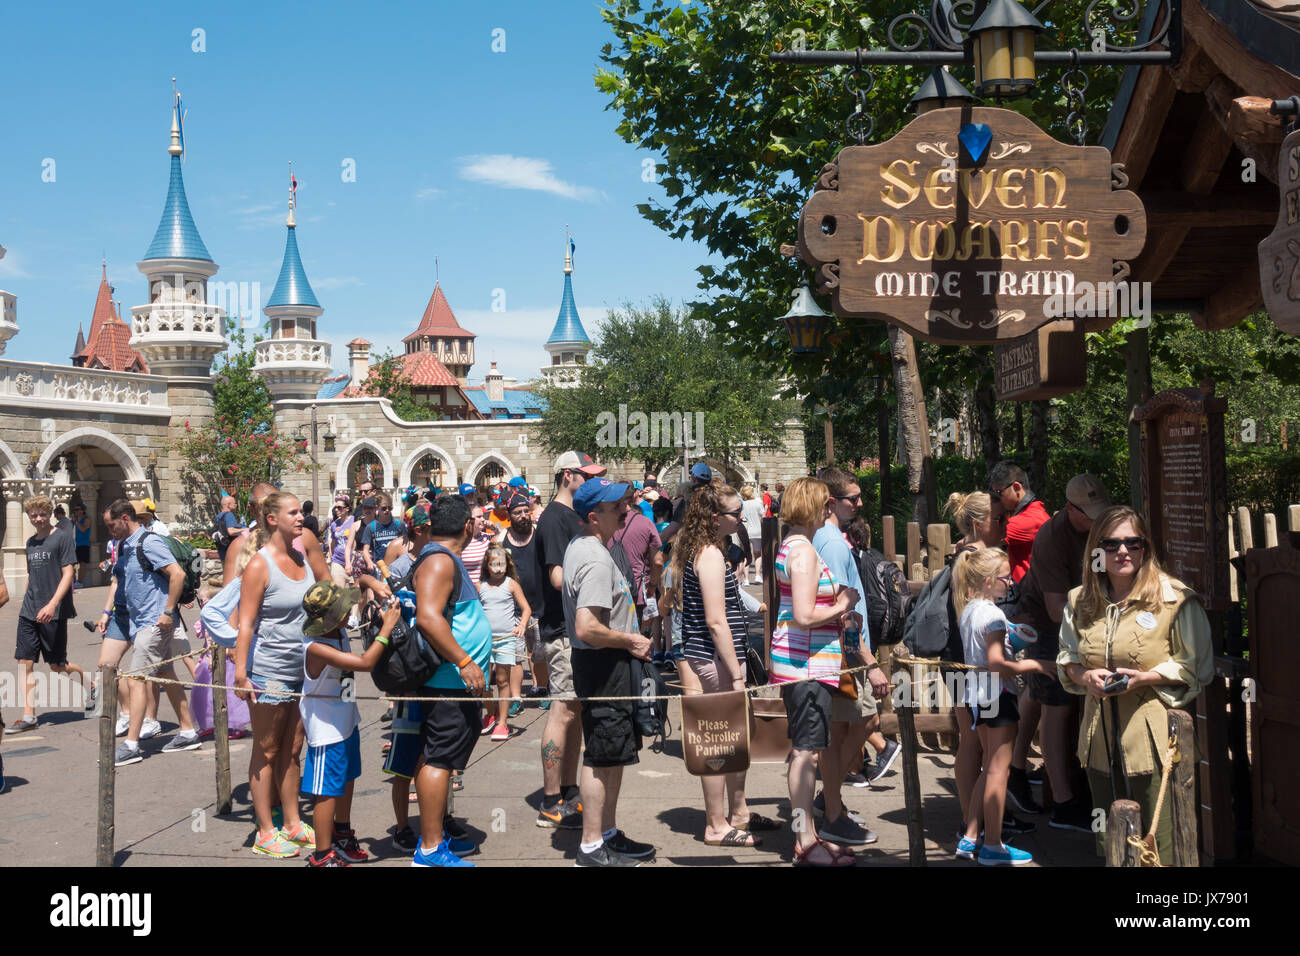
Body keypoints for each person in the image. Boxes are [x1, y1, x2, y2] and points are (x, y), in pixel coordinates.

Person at [1058, 505, 1213, 864]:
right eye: (1111, 545)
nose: (1122, 552)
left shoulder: (1174, 599)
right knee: (1105, 831)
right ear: (1096, 551)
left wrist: (1146, 677)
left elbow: (1196, 665)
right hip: (1098, 740)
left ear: (1146, 548)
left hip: (1154, 743)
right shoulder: (1079, 600)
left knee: (1158, 840)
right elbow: (1067, 655)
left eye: (1133, 542)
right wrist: (1084, 676)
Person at [671, 483, 776, 848]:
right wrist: (735, 672)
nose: (742, 518)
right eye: (735, 513)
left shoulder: (708, 549)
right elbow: (717, 622)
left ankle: (739, 811)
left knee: (734, 735)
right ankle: (716, 824)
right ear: (716, 518)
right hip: (717, 660)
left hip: (716, 656)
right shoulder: (711, 556)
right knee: (718, 739)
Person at [1010, 474, 1112, 831]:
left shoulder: (1107, 527)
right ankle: (1064, 805)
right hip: (1048, 622)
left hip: (1087, 618)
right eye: (1089, 514)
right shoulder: (1051, 538)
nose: (1098, 520)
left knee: (1037, 695)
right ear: (1070, 508)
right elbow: (1056, 610)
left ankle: (1015, 768)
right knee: (1058, 700)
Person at [563, 478, 656, 866]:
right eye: (615, 506)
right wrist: (629, 641)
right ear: (592, 516)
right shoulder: (595, 558)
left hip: (605, 665)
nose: (625, 510)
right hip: (603, 666)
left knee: (613, 753)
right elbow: (587, 627)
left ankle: (608, 834)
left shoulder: (586, 546)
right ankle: (591, 846)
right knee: (602, 756)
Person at [770, 477, 859, 866]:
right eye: (825, 505)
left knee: (805, 751)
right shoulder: (803, 552)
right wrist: (843, 604)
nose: (829, 511)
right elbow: (805, 615)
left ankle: (807, 835)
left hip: (803, 663)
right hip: (804, 665)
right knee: (805, 754)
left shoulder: (791, 545)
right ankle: (804, 842)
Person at [952, 546, 1051, 865]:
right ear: (990, 580)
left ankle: (971, 836)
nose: (1010, 583)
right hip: (997, 695)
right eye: (1006, 578)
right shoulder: (993, 615)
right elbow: (996, 664)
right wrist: (1036, 665)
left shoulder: (969, 610)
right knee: (999, 769)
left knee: (988, 766)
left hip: (976, 698)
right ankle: (993, 845)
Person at [410, 495, 493, 867]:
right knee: (438, 761)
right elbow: (428, 618)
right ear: (468, 527)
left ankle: (437, 837)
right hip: (447, 680)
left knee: (442, 759)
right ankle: (429, 850)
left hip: (455, 682)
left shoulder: (444, 559)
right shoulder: (440, 561)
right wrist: (464, 661)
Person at [234, 491, 318, 857]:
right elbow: (246, 622)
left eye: (301, 512)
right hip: (269, 672)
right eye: (294, 512)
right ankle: (265, 830)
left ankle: (293, 822)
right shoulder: (259, 564)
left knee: (294, 749)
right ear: (273, 519)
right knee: (267, 749)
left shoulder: (302, 557)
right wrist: (240, 673)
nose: (301, 518)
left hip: (304, 669)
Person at [812, 467, 889, 845]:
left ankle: (831, 803)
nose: (860, 503)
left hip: (846, 652)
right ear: (830, 502)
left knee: (846, 730)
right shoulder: (831, 543)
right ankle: (829, 807)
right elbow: (843, 609)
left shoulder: (831, 538)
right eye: (852, 499)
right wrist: (868, 663)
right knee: (862, 723)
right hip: (846, 654)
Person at [297, 581, 397, 866]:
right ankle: (322, 854)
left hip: (346, 719)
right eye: (342, 611)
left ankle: (341, 833)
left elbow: (360, 587)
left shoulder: (338, 630)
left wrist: (371, 583)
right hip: (326, 728)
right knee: (326, 791)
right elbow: (364, 663)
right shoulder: (316, 646)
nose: (348, 614)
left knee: (346, 779)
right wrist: (387, 630)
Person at [533, 451, 605, 829]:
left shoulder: (572, 516)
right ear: (566, 476)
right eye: (585, 475)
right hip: (560, 629)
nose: (590, 481)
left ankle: (569, 788)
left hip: (573, 631)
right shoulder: (554, 519)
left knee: (574, 710)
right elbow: (558, 577)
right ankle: (549, 799)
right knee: (561, 710)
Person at [104, 498, 200, 764]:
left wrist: (168, 611)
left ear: (125, 519)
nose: (110, 531)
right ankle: (188, 731)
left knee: (136, 679)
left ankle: (131, 744)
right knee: (166, 674)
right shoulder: (125, 545)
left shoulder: (149, 542)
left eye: (112, 525)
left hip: (154, 623)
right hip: (141, 622)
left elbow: (177, 574)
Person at [6, 495, 87, 735]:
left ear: (49, 513)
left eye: (42, 514)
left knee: (57, 666)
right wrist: (29, 599)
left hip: (53, 611)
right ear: (29, 516)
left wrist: (52, 604)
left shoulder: (62, 538)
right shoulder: (31, 543)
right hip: (29, 611)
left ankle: (92, 686)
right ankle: (28, 716)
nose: (38, 519)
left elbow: (68, 574)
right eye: (34, 515)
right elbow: (33, 576)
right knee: (24, 662)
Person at [478, 543, 532, 742]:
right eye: (494, 564)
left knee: (502, 680)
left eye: (502, 564)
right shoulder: (480, 586)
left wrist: (522, 625)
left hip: (506, 640)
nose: (498, 568)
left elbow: (526, 608)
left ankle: (502, 723)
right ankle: (490, 713)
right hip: (485, 641)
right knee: (482, 683)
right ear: (487, 565)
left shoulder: (511, 584)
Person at [502, 493, 544, 712]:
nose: (523, 516)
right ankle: (516, 697)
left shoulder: (540, 535)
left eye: (525, 511)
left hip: (539, 604)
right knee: (516, 655)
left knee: (539, 652)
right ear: (509, 515)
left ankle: (541, 688)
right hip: (513, 608)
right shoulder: (501, 539)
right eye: (517, 512)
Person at [987, 461, 1048, 583]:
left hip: (1029, 594)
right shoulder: (1034, 512)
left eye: (999, 492)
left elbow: (987, 535)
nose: (997, 498)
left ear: (1016, 487)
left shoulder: (1028, 520)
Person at [610, 492, 663, 629]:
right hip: (638, 591)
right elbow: (657, 562)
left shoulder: (605, 522)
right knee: (638, 638)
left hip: (609, 593)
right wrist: (652, 585)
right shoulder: (645, 523)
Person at [661, 461, 712, 545]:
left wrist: (654, 544)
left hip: (694, 544)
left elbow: (672, 528)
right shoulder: (715, 497)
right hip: (712, 543)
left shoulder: (689, 499)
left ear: (694, 479)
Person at [460, 503, 494, 584]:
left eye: (483, 516)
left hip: (486, 589)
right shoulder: (460, 541)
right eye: (479, 517)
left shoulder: (486, 537)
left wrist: (494, 528)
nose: (483, 519)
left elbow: (504, 536)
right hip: (468, 590)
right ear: (468, 520)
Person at [739, 485, 765, 584]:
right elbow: (764, 516)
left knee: (746, 555)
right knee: (757, 554)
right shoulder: (758, 503)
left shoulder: (742, 505)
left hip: (745, 531)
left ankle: (746, 579)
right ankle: (758, 575)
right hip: (757, 531)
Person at [326, 497, 355, 588]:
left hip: (353, 561)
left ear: (347, 509)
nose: (336, 509)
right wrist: (331, 555)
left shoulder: (354, 520)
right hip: (337, 561)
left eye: (339, 507)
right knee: (338, 591)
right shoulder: (334, 524)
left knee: (353, 595)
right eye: (335, 507)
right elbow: (333, 541)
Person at [213, 496, 245, 563]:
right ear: (229, 505)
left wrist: (238, 526)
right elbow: (231, 531)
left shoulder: (219, 516)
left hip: (222, 551)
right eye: (234, 504)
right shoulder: (229, 514)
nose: (236, 506)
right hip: (231, 551)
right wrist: (244, 529)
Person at [72, 503, 91, 588]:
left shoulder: (87, 519)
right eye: (75, 510)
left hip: (84, 544)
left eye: (78, 509)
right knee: (72, 563)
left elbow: (83, 529)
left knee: (82, 563)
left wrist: (76, 521)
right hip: (76, 544)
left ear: (82, 510)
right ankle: (73, 580)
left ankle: (79, 582)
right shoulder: (75, 520)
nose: (76, 511)